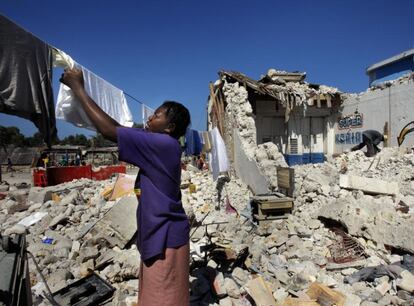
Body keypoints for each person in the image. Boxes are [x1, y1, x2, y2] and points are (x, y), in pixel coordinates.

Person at [60, 68, 191, 305]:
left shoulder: (161, 144)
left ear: (169, 127)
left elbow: (110, 131)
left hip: (165, 238)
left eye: (157, 115)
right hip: (165, 234)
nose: (150, 117)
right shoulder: (164, 144)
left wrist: (78, 88)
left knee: (161, 297)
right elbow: (116, 127)